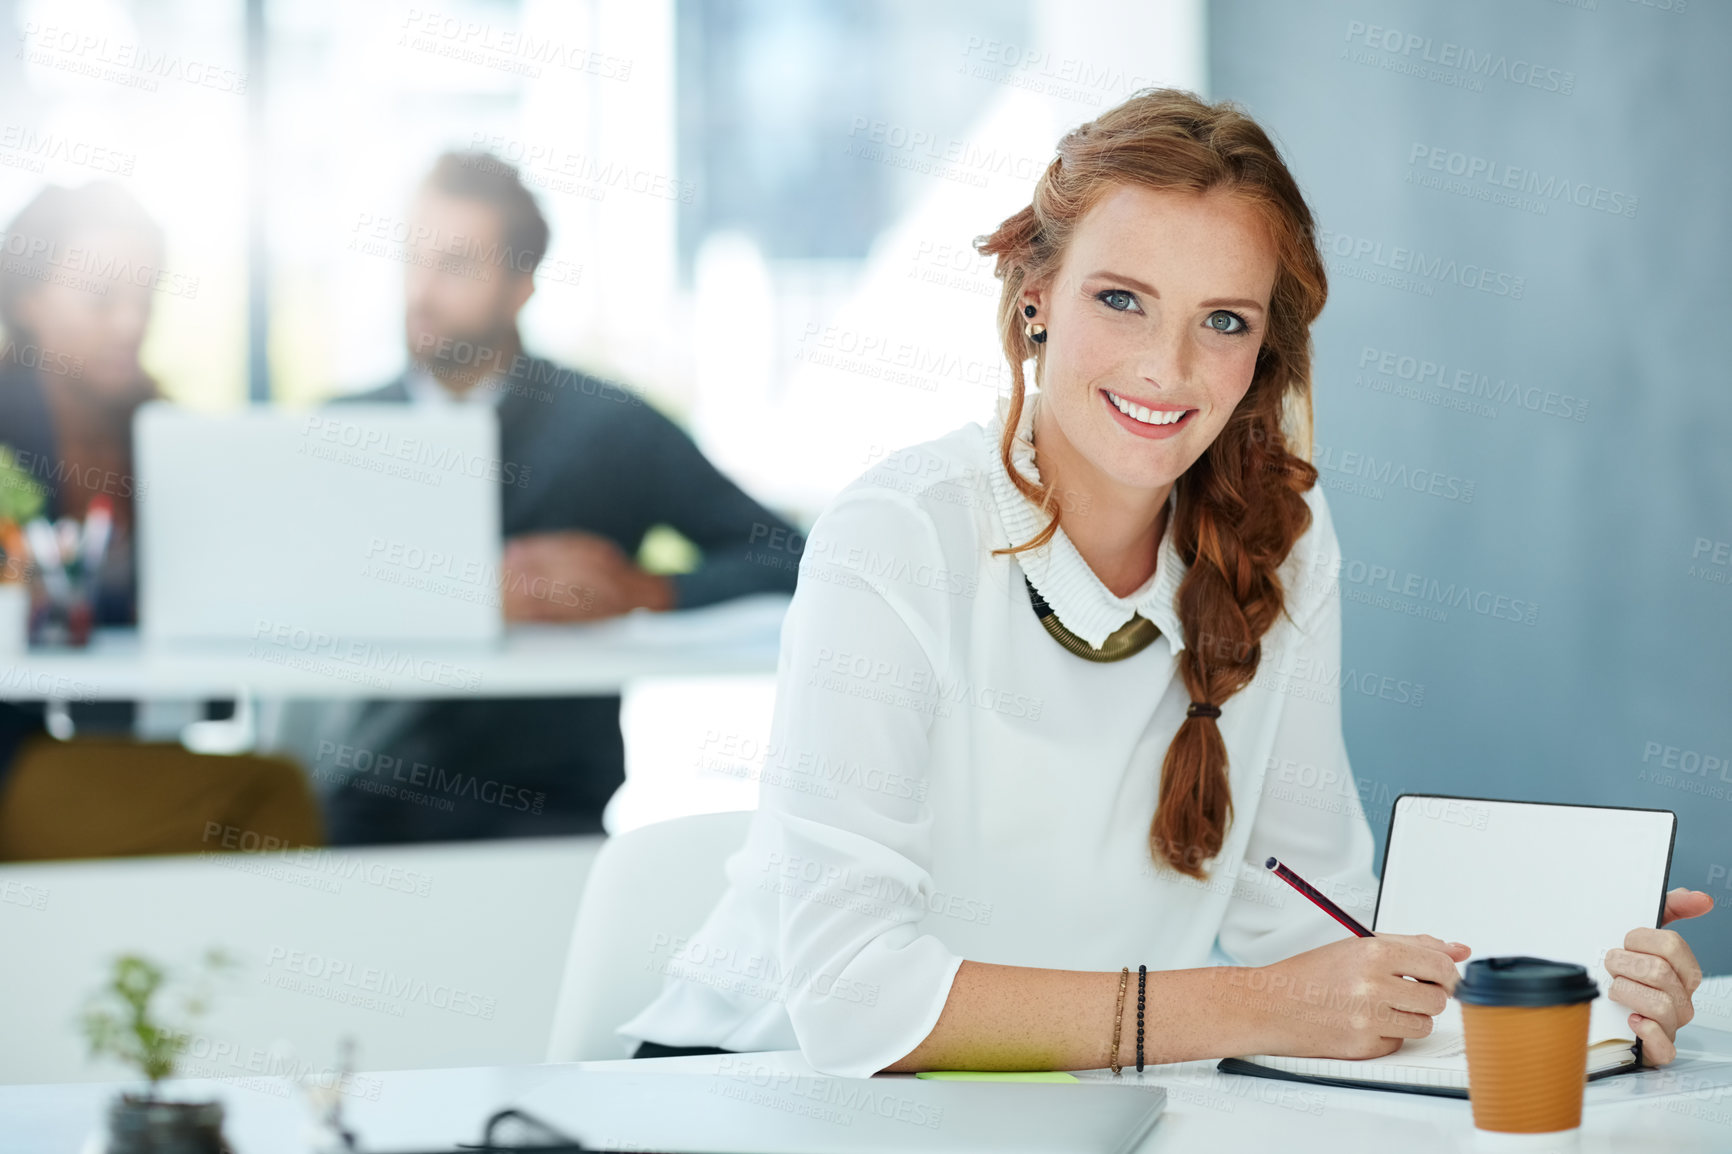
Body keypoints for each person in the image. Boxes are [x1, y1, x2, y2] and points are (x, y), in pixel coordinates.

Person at [618, 89, 1712, 1075]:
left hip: (1056, 1103)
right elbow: (855, 1002)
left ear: (1260, 360)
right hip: (751, 1086)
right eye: (1122, 299)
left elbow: (1304, 923)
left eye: (1222, 321)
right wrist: (1254, 1007)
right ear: (1036, 296)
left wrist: (1568, 963)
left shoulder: (1281, 530)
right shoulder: (898, 533)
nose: (1166, 367)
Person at [308, 152, 803, 844]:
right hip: (367, 805)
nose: (423, 288)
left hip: (550, 815)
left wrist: (642, 591)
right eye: (414, 259)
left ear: (521, 285)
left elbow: (794, 558)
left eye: (456, 264)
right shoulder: (339, 432)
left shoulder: (609, 427)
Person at [0, 182, 319, 859]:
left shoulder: (168, 435)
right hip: (15, 754)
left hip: (125, 741)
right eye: (101, 299)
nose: (130, 323)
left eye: (144, 299)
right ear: (27, 302)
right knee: (272, 796)